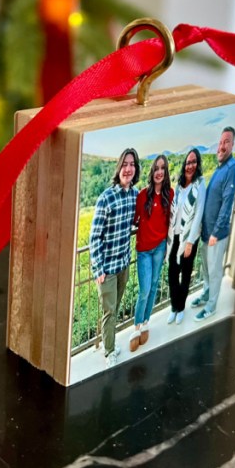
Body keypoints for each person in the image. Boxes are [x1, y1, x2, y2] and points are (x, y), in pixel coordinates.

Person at [89, 148, 140, 368]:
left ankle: (108, 342)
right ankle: (109, 351)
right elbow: (94, 237)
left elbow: (137, 221)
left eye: (132, 164)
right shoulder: (105, 198)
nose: (128, 169)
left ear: (135, 169)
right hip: (107, 269)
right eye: (125, 164)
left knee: (115, 306)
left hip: (123, 264)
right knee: (109, 311)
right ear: (119, 167)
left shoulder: (135, 195)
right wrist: (98, 269)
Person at [194, 127, 235, 321]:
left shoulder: (232, 168)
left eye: (226, 142)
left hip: (216, 234)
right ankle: (206, 293)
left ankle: (211, 306)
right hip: (206, 232)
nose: (222, 146)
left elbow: (227, 202)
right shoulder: (220, 167)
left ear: (232, 145)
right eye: (221, 142)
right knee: (206, 268)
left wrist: (215, 232)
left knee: (214, 271)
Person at [129, 155, 173, 352]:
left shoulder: (169, 194)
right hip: (144, 251)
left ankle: (146, 322)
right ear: (152, 172)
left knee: (154, 285)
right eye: (156, 168)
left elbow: (171, 220)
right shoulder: (142, 195)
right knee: (144, 289)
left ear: (166, 172)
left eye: (163, 168)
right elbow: (134, 220)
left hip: (160, 246)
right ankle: (136, 327)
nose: (159, 172)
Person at [167, 148, 204, 325]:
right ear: (184, 165)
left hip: (189, 238)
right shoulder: (179, 186)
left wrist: (190, 242)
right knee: (172, 273)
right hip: (175, 236)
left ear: (198, 164)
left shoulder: (199, 185)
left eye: (193, 162)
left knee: (186, 274)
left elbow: (198, 214)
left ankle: (181, 307)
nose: (190, 165)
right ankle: (174, 306)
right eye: (188, 162)